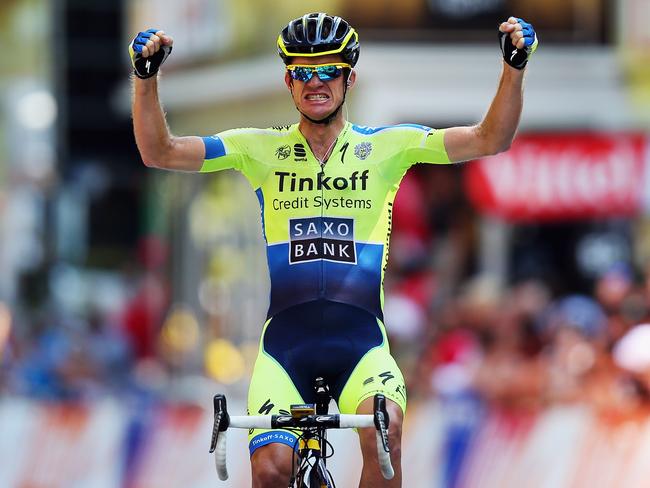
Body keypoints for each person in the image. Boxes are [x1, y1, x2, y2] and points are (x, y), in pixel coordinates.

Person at [129, 12, 537, 488]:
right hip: (286, 348)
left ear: (349, 76)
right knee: (271, 470)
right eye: (303, 71)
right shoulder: (258, 148)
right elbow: (161, 152)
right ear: (288, 80)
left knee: (387, 437)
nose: (315, 82)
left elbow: (492, 138)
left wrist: (514, 68)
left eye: (328, 70)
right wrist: (145, 79)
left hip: (361, 346)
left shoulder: (389, 147)